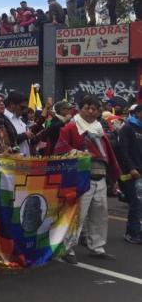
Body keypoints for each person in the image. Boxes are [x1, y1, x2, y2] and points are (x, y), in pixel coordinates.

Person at [54, 95, 121, 263]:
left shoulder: (99, 127)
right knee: (77, 215)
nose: (91, 112)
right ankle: (67, 249)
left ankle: (97, 247)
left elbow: (108, 155)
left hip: (101, 176)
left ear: (99, 111)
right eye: (87, 108)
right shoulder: (70, 127)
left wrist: (114, 177)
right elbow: (60, 150)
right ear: (80, 109)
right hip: (80, 178)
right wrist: (81, 155)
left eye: (94, 109)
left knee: (99, 214)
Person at [114, 104, 142, 244]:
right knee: (136, 203)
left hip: (140, 173)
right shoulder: (127, 128)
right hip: (131, 173)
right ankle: (132, 233)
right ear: (138, 113)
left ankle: (138, 230)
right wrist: (131, 168)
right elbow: (122, 150)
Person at [3, 91, 34, 156]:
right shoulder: (3, 119)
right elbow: (7, 141)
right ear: (12, 104)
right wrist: (24, 135)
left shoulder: (20, 118)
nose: (25, 110)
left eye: (26, 108)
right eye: (22, 107)